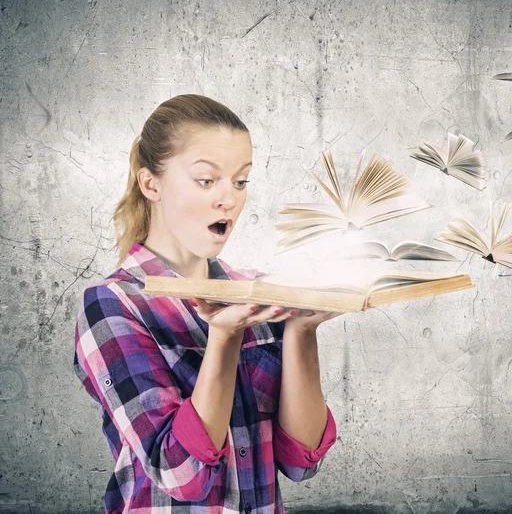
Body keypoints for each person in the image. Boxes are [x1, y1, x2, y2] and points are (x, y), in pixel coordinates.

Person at [73, 94, 342, 513]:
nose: (229, 199)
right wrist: (224, 337)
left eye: (240, 181)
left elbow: (301, 461)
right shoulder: (113, 305)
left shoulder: (260, 293)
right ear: (151, 184)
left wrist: (302, 330)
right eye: (206, 180)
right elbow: (179, 473)